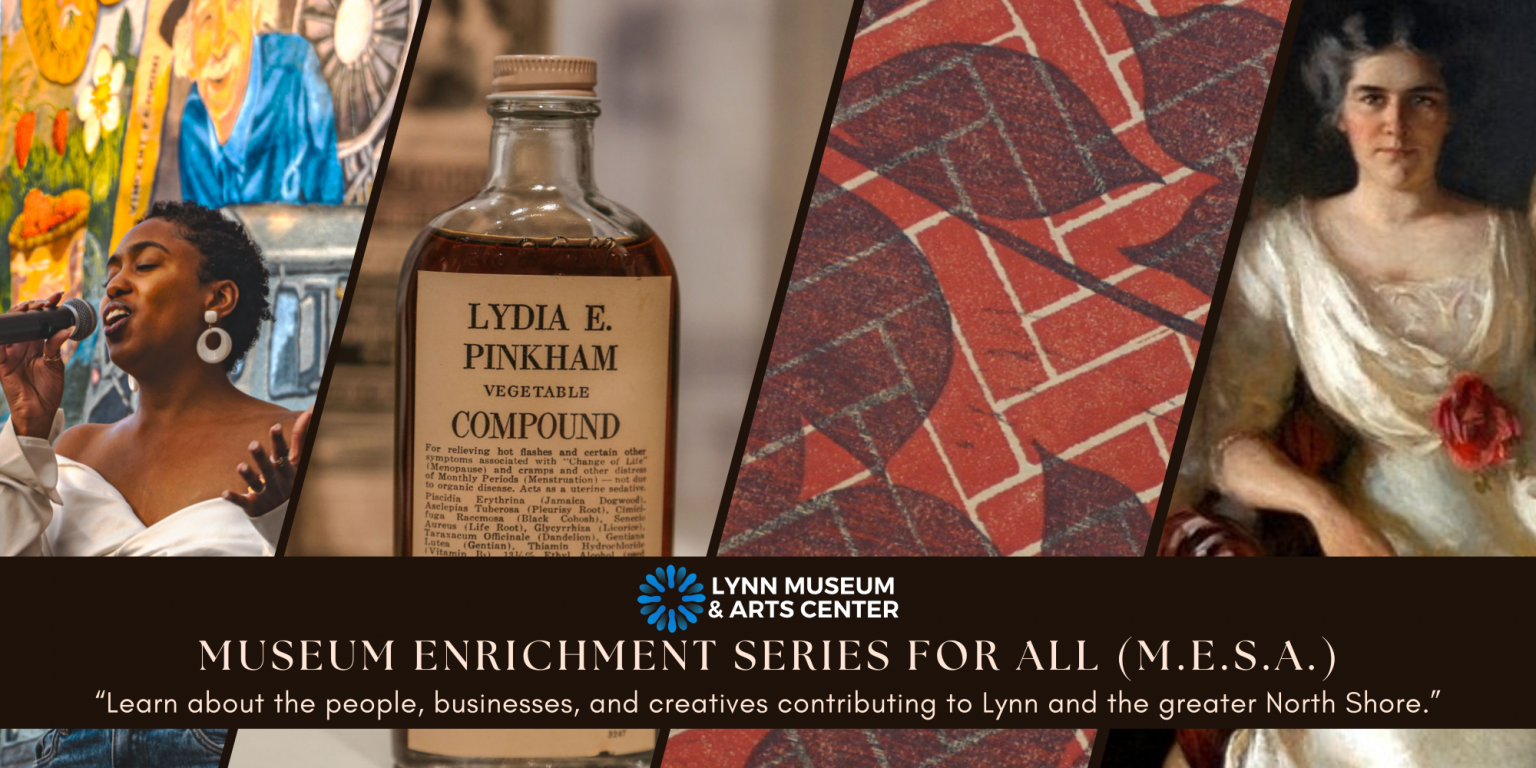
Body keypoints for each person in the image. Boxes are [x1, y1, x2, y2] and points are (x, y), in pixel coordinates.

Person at [1181, 2, 1536, 555]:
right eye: (1372, 99)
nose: (1396, 125)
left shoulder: (1516, 242)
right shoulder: (1284, 252)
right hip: (1379, 540)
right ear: (1340, 112)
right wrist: (1324, 511)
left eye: (1422, 100)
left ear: (1449, 115)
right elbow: (1226, 442)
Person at [0, 200, 309, 556]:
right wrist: (27, 427)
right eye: (110, 276)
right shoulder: (75, 452)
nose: (114, 286)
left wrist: (286, 521)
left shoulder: (290, 445)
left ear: (219, 298)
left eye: (145, 265)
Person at [173, 0, 344, 208]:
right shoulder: (194, 123)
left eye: (233, 7)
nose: (218, 47)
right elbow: (200, 232)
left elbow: (330, 209)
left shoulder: (294, 71)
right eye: (206, 20)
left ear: (254, 16)